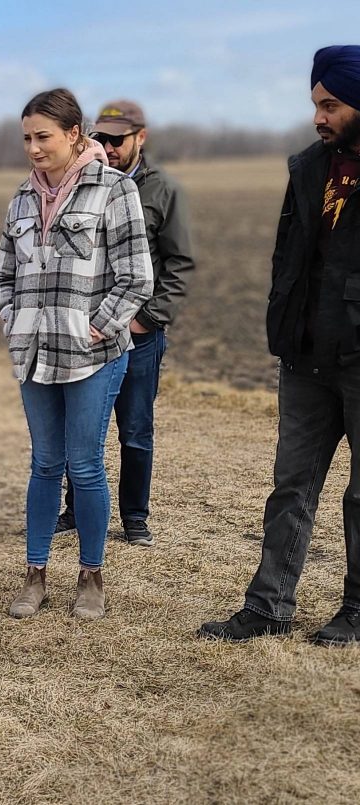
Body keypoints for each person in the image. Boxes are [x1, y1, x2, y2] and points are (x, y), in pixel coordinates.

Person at [201, 46, 360, 646]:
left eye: (331, 104)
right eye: (315, 104)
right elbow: (287, 258)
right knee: (290, 485)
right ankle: (268, 606)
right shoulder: (308, 168)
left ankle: (358, 609)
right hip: (305, 357)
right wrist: (284, 325)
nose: (319, 116)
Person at [0, 89, 153, 620]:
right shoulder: (20, 197)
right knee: (44, 463)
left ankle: (91, 576)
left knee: (84, 466)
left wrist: (96, 328)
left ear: (73, 134)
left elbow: (137, 278)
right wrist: (14, 322)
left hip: (93, 355)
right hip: (34, 354)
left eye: (43, 137)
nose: (33, 148)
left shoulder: (114, 190)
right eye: (26, 139)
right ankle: (35, 574)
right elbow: (4, 276)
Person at [53, 100, 196, 547]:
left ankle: (135, 516)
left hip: (138, 336)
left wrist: (147, 320)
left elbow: (180, 263)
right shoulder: (81, 184)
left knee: (135, 429)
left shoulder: (162, 191)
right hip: (88, 333)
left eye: (118, 139)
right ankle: (75, 509)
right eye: (101, 138)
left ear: (141, 138)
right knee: (83, 426)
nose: (108, 147)